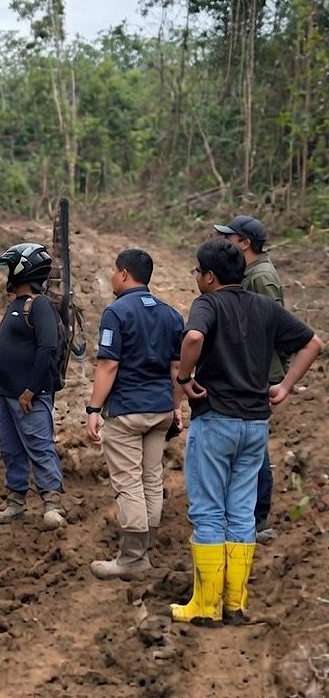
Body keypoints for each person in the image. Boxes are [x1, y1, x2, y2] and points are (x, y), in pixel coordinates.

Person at [171, 238, 321, 625]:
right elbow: (312, 343)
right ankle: (235, 605)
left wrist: (184, 377)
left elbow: (193, 337)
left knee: (208, 512)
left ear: (209, 276)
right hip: (254, 425)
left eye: (198, 272)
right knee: (241, 513)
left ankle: (205, 607)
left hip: (215, 420)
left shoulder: (207, 303)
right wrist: (284, 386)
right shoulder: (264, 306)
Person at [85, 248, 185, 580]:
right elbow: (177, 368)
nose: (112, 276)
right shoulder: (171, 314)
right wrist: (176, 406)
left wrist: (93, 408)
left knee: (128, 482)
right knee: (151, 479)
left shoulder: (116, 312)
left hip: (127, 410)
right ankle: (146, 548)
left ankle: (132, 558)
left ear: (124, 274)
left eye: (114, 271)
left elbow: (108, 364)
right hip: (160, 410)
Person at [214, 215, 284, 544]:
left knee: (254, 446)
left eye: (230, 238)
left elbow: (272, 324)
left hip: (258, 372)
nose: (225, 243)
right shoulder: (251, 273)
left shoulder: (261, 277)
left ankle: (258, 517)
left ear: (245, 243)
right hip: (254, 369)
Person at [0, 243, 66, 529]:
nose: (7, 274)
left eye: (11, 268)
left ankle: (52, 504)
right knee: (11, 449)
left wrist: (31, 389)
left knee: (39, 446)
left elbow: (47, 347)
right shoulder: (15, 305)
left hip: (29, 396)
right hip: (7, 394)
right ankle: (15, 503)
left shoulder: (39, 304)